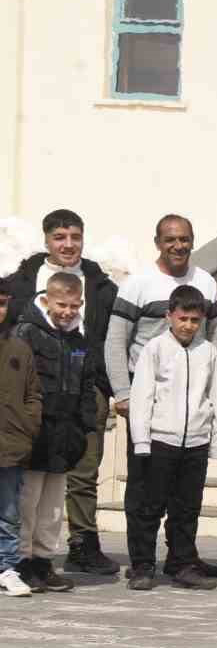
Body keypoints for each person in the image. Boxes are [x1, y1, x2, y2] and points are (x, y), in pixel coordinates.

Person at [106, 215, 217, 581]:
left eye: (185, 239)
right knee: (145, 493)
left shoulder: (205, 282)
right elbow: (116, 340)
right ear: (158, 242)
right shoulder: (138, 283)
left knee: (186, 497)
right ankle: (142, 563)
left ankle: (183, 559)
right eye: (170, 239)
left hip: (191, 405)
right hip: (149, 402)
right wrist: (123, 393)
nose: (178, 246)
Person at [6, 210, 119, 577]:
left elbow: (108, 341)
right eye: (59, 237)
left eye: (75, 237)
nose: (68, 244)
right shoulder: (22, 290)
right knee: (28, 494)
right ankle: (19, 560)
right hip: (34, 414)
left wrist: (99, 393)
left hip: (77, 404)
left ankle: (67, 550)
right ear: (46, 240)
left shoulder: (100, 287)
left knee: (70, 485)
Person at [125, 285, 217, 592]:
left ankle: (181, 563)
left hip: (195, 442)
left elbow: (215, 396)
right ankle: (143, 565)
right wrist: (141, 439)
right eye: (183, 318)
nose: (188, 326)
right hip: (160, 441)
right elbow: (142, 396)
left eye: (195, 320)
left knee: (187, 508)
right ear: (169, 316)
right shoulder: (154, 349)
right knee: (149, 507)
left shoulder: (208, 351)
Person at [10, 273, 97, 593]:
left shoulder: (80, 338)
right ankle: (21, 562)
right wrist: (23, 426)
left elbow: (87, 383)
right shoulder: (26, 332)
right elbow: (15, 385)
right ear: (47, 300)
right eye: (62, 304)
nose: (68, 312)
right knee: (27, 502)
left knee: (53, 506)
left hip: (65, 435)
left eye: (74, 306)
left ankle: (44, 561)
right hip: (34, 433)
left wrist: (85, 425)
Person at [0, 319, 40, 597]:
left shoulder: (20, 349)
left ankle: (6, 568)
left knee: (9, 512)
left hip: (10, 443)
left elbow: (33, 394)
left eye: (3, 302)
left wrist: (28, 425)